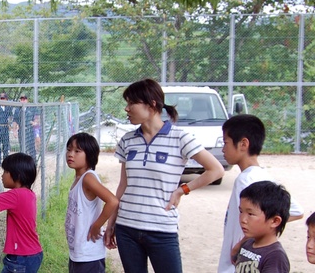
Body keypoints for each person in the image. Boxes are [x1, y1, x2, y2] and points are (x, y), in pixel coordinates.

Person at [104, 78, 224, 273]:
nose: (126, 109)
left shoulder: (180, 137)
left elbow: (215, 170)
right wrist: (111, 222)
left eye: (131, 103)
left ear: (152, 104)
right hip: (127, 228)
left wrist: (182, 190)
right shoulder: (127, 141)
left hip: (162, 229)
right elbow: (123, 185)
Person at [217, 114, 304, 273]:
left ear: (243, 144)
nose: (223, 149)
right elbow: (296, 211)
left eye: (226, 143)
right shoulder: (260, 176)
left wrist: (244, 241)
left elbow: (296, 212)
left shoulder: (247, 180)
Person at [65, 132, 118, 273]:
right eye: (69, 149)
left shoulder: (88, 178)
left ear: (90, 155)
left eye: (77, 151)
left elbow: (112, 201)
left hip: (89, 255)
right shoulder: (79, 178)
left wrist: (97, 225)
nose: (71, 154)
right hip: (79, 253)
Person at [232, 180, 291, 272]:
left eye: (250, 214)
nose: (243, 219)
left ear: (275, 221)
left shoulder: (275, 257)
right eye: (241, 212)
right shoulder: (247, 243)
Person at [13, 94, 38, 160]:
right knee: (22, 147)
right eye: (21, 99)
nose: (23, 101)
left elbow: (37, 117)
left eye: (24, 99)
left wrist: (35, 122)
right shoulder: (17, 110)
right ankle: (23, 162)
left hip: (29, 130)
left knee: (31, 147)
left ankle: (33, 161)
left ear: (27, 100)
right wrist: (14, 131)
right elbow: (15, 121)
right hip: (21, 130)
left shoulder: (32, 108)